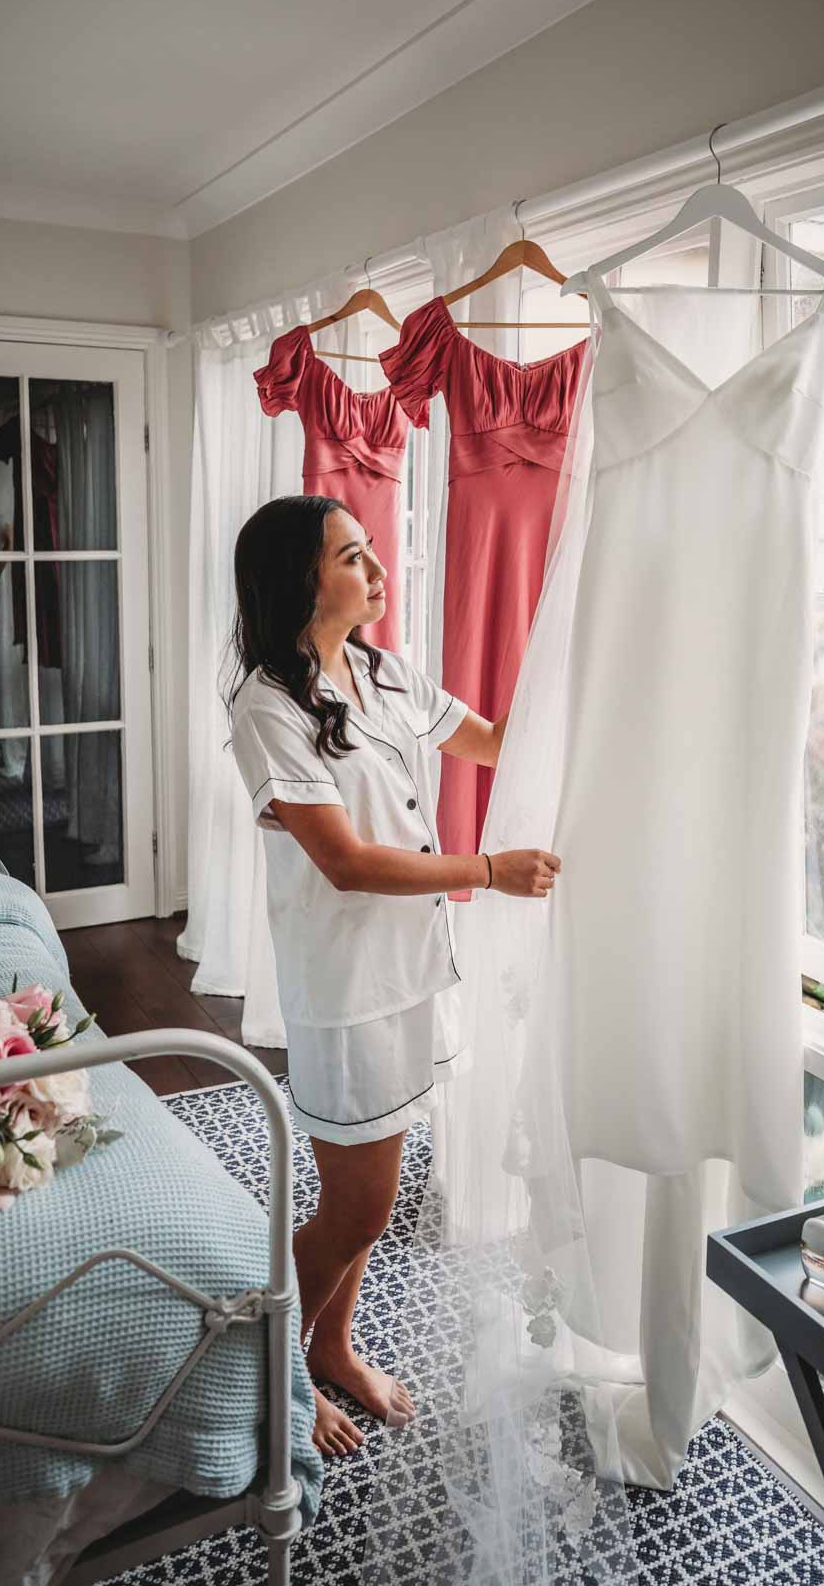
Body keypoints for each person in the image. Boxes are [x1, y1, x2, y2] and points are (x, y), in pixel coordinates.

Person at [228, 494, 560, 1458]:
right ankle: (268, 1370)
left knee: (373, 1189)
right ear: (301, 578)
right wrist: (490, 872)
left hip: (411, 971)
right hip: (346, 992)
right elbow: (346, 860)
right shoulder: (267, 706)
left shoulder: (379, 671)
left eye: (371, 552)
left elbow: (493, 740)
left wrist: (593, 700)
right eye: (351, 555)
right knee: (359, 1205)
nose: (376, 570)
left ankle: (330, 1344)